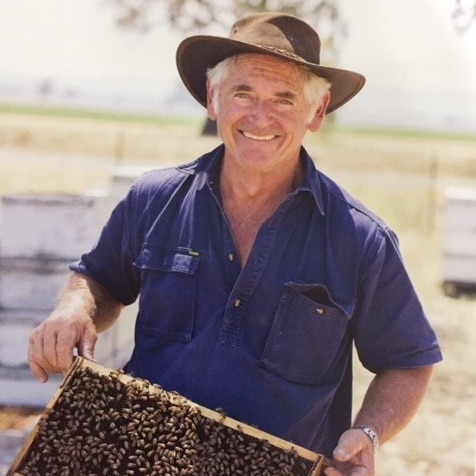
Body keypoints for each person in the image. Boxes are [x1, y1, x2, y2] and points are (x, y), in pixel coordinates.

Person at [28, 11, 442, 475]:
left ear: (317, 113)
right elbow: (100, 282)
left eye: (284, 99)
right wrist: (73, 309)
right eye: (243, 93)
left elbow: (407, 362)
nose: (260, 117)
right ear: (213, 99)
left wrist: (367, 434)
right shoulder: (153, 200)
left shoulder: (361, 238)